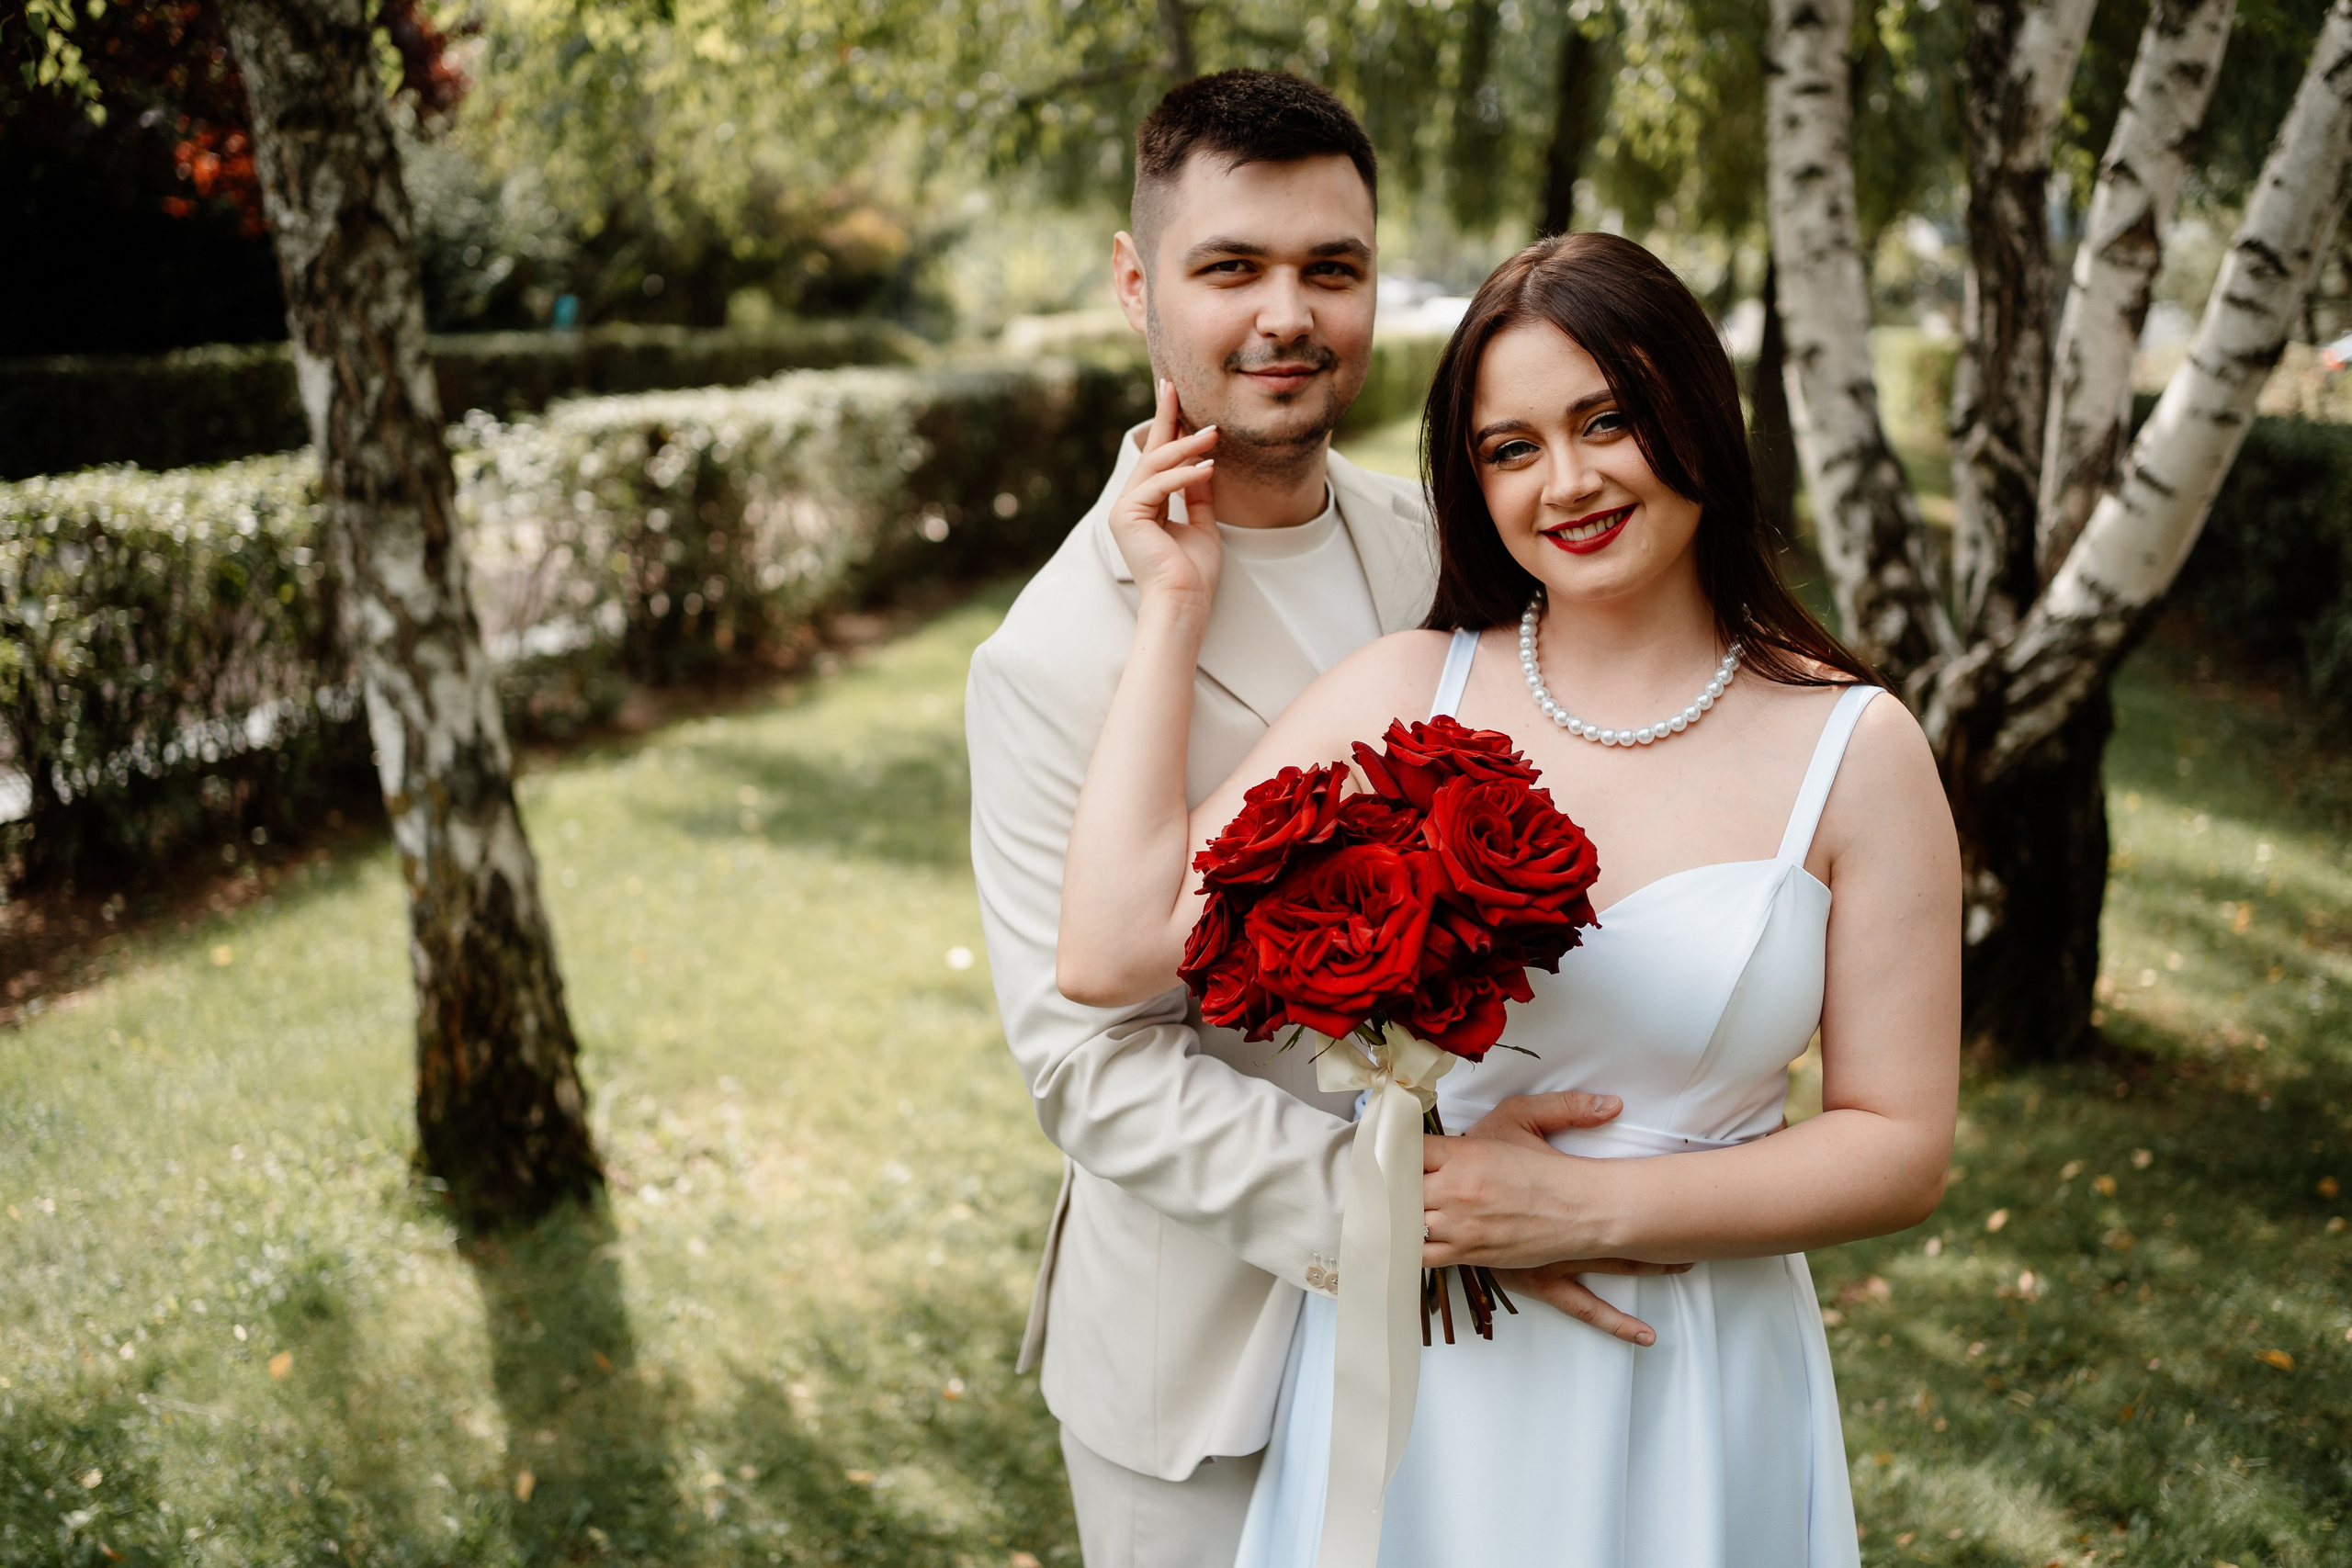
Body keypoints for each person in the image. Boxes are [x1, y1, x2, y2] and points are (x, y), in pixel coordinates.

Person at [1054, 231, 1962, 1565]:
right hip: (1425, 1384)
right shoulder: (1401, 691)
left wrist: (1590, 1213)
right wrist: (1175, 600)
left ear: (1696, 416)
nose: (1571, 481)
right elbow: (1112, 948)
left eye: (1611, 421)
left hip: (1693, 1374)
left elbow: (1899, 1143)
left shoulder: (1858, 747)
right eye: (1512, 447)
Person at [966, 72, 1651, 1568]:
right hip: (1211, 1366)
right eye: (1232, 268)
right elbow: (1089, 1065)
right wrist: (1409, 1206)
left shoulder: (1451, 547)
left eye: (1330, 269)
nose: (1289, 314)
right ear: (1140, 284)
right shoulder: (1048, 658)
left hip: (1502, 1329)